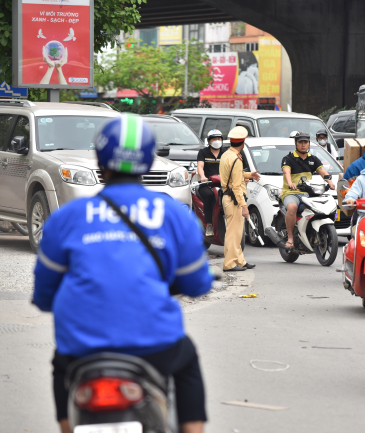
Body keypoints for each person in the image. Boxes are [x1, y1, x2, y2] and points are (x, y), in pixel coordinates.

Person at [32, 114, 214, 433]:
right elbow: (197, 284)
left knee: (61, 368)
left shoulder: (67, 217)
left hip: (82, 348)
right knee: (187, 362)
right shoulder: (174, 215)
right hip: (156, 345)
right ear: (147, 163)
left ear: (101, 162)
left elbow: (44, 295)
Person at [281, 131, 336, 249]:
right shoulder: (288, 159)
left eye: (305, 142)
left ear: (309, 143)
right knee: (292, 207)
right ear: (295, 143)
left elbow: (323, 172)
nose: (303, 144)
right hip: (292, 193)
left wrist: (330, 183)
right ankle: (290, 237)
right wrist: (290, 183)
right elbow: (287, 172)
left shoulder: (313, 159)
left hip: (308, 193)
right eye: (300, 142)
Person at [220, 126, 260, 272]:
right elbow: (236, 185)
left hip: (228, 197)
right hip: (234, 199)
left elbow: (233, 176)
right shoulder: (236, 159)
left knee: (236, 233)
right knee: (233, 233)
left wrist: (249, 175)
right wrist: (244, 206)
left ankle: (240, 261)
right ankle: (229, 264)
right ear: (243, 142)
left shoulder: (226, 155)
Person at [196, 129, 227, 236]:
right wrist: (203, 177)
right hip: (207, 184)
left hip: (223, 184)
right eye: (214, 139)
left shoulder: (226, 153)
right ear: (209, 141)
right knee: (209, 196)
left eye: (219, 139)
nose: (217, 141)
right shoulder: (203, 152)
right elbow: (200, 167)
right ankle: (209, 224)